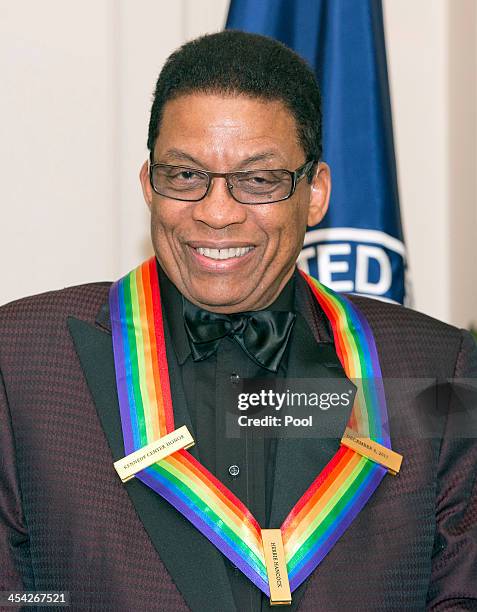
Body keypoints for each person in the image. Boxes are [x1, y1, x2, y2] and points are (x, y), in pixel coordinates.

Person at [0, 31, 476, 612]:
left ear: (317, 192)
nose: (217, 212)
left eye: (258, 179)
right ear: (148, 183)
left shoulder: (435, 367)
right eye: (184, 174)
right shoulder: (21, 359)